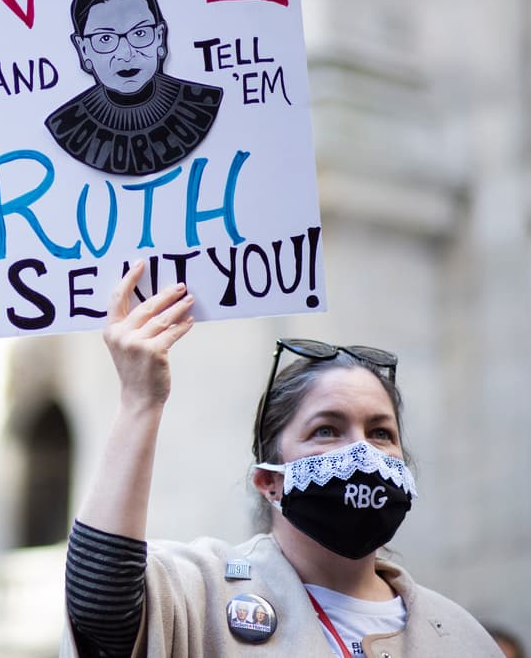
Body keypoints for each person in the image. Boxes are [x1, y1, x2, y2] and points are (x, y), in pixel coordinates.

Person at [62, 262, 504, 657]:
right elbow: (101, 603)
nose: (362, 452)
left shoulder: (462, 637)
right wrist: (140, 399)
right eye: (326, 430)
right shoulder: (201, 594)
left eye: (380, 433)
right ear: (269, 481)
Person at [43, 0, 223, 177]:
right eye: (105, 39)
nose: (126, 54)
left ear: (160, 37)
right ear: (83, 49)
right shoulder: (67, 125)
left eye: (139, 33)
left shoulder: (201, 105)